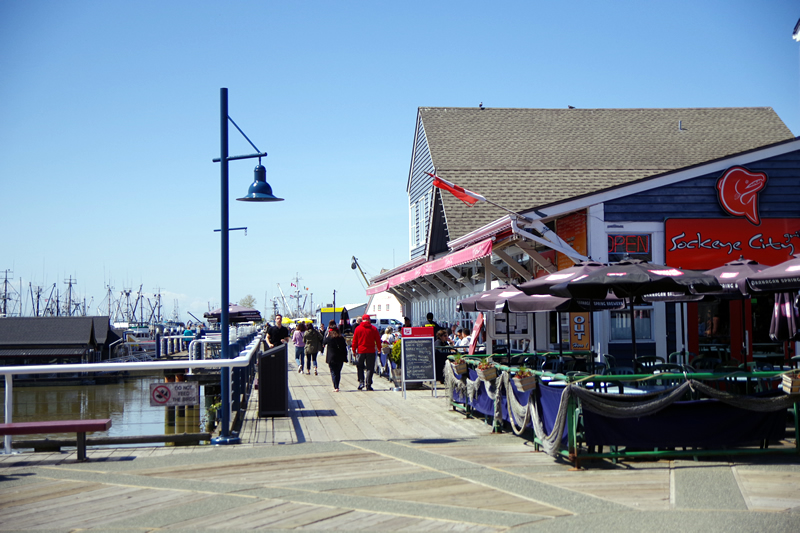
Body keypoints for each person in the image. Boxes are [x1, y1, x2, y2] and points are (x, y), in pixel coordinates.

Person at [351, 313, 381, 391]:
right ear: (369, 320)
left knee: (360, 367)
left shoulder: (358, 329)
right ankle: (368, 384)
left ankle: (361, 382)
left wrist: (354, 350)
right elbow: (378, 340)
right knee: (370, 368)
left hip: (361, 351)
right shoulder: (374, 329)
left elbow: (354, 341)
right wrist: (379, 349)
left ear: (362, 320)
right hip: (371, 351)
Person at [323, 326, 348, 392]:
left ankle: (336, 386)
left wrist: (327, 335)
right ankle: (337, 385)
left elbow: (323, 343)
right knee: (338, 372)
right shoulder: (341, 338)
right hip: (340, 357)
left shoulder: (329, 338)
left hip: (332, 358)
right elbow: (344, 348)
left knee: (333, 372)